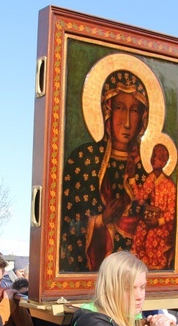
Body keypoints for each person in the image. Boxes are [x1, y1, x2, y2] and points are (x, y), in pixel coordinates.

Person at [60, 70, 150, 272]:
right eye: (119, 108)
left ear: (143, 117)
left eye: (134, 111)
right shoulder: (83, 159)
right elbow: (66, 227)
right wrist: (101, 220)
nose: (126, 122)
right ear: (107, 111)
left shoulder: (145, 174)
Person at [129, 143, 177, 270]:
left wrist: (159, 221)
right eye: (153, 156)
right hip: (150, 219)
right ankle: (137, 267)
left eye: (158, 158)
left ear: (164, 162)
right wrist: (132, 178)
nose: (154, 159)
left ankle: (155, 268)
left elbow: (171, 212)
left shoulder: (169, 184)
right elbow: (140, 198)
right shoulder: (150, 178)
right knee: (140, 229)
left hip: (163, 224)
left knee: (152, 236)